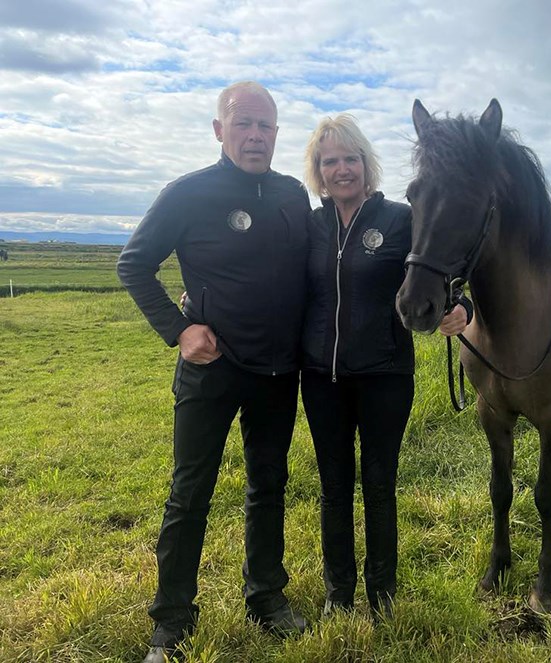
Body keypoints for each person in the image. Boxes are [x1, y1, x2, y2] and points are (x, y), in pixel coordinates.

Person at [117, 81, 311, 663]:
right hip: (211, 369)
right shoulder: (188, 194)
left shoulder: (292, 194)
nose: (256, 135)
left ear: (277, 134)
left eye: (266, 126)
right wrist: (179, 331)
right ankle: (171, 622)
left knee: (268, 485)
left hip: (278, 371)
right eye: (244, 123)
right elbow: (134, 264)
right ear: (219, 130)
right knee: (190, 491)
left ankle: (267, 598)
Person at [299, 114, 469, 620]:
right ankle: (338, 591)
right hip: (320, 376)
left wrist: (465, 310)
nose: (342, 169)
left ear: (366, 165)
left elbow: (448, 272)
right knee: (333, 485)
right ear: (319, 169)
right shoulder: (309, 224)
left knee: (378, 482)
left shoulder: (400, 218)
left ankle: (382, 592)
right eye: (331, 161)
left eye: (351, 159)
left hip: (385, 375)